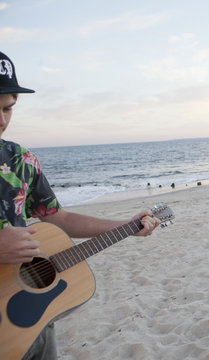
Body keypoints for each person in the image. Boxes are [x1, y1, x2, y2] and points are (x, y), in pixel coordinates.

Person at [0, 51, 162, 359]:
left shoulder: (21, 159)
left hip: (30, 323)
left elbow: (57, 219)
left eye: (8, 108)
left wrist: (127, 228)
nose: (1, 120)